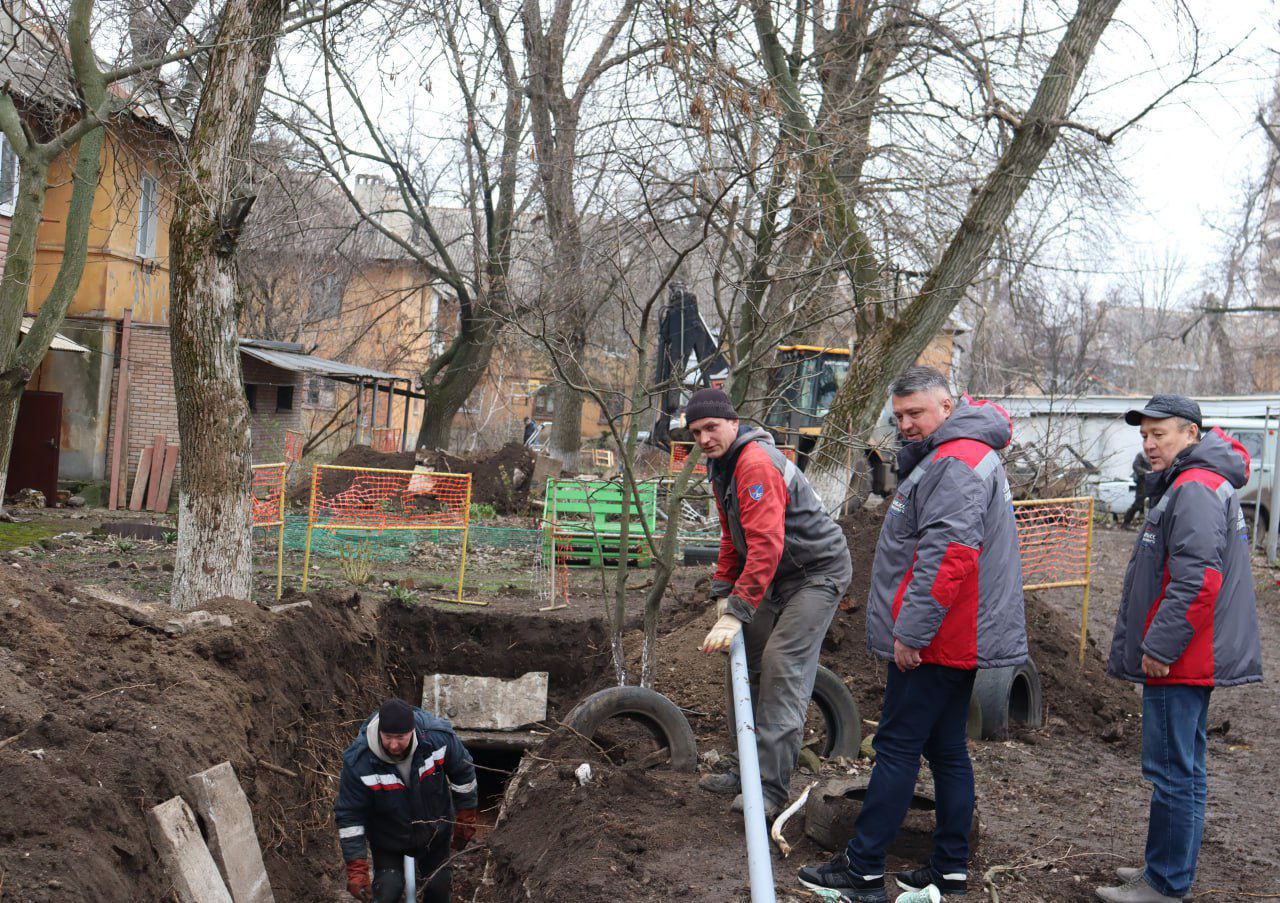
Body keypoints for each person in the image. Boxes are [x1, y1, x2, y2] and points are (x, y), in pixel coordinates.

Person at [798, 367, 1027, 903]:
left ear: (946, 407)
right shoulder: (957, 454)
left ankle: (862, 871)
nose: (905, 424)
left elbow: (950, 555)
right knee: (946, 749)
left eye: (915, 413)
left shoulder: (957, 462)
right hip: (956, 635)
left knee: (898, 747)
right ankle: (949, 869)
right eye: (899, 415)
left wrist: (913, 632)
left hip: (939, 638)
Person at [1096, 395, 1262, 903]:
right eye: (1144, 435)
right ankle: (1164, 868)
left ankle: (1165, 884)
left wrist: (1162, 646)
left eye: (1159, 434)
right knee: (1182, 770)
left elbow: (1197, 579)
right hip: (1191, 654)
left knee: (1171, 771)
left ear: (1191, 433)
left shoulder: (1194, 487)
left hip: (1182, 658)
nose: (1149, 444)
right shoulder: (1197, 481)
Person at [689, 387, 852, 819]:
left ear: (733, 423)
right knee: (744, 656)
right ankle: (744, 765)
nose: (704, 438)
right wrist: (723, 590)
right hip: (775, 573)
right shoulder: (721, 466)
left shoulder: (755, 464)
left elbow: (765, 545)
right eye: (696, 432)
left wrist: (738, 610)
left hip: (815, 573)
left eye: (711, 427)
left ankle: (769, 788)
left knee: (782, 663)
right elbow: (732, 536)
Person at [335, 698, 479, 902]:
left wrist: (466, 816)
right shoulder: (360, 761)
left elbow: (463, 773)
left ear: (412, 731)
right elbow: (350, 816)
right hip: (388, 838)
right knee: (388, 890)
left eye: (400, 737)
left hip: (434, 832)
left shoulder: (437, 739)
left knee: (439, 887)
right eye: (387, 737)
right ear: (380, 732)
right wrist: (357, 869)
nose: (393, 745)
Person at [1123, 450, 1153, 528]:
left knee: (1153, 503)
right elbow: (1135, 466)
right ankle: (1126, 522)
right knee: (1138, 503)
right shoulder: (1142, 455)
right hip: (1142, 483)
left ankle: (1147, 524)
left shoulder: (1158, 453)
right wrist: (1146, 472)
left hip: (1153, 482)